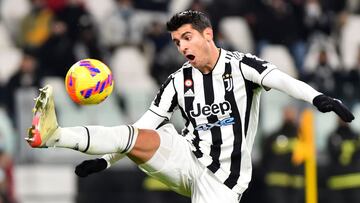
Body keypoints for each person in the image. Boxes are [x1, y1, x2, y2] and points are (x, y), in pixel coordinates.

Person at [26, 10, 354, 203]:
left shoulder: (241, 66)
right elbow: (143, 126)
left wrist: (319, 98)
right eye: (176, 42)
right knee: (135, 134)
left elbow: (283, 79)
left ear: (207, 34)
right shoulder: (177, 81)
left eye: (187, 37)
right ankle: (54, 135)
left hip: (223, 180)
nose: (182, 46)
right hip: (184, 158)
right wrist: (106, 161)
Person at [261, 106, 304, 203]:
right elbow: (264, 158)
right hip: (277, 185)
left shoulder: (302, 137)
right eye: (287, 114)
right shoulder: (273, 137)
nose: (289, 116)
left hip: (296, 185)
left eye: (291, 114)